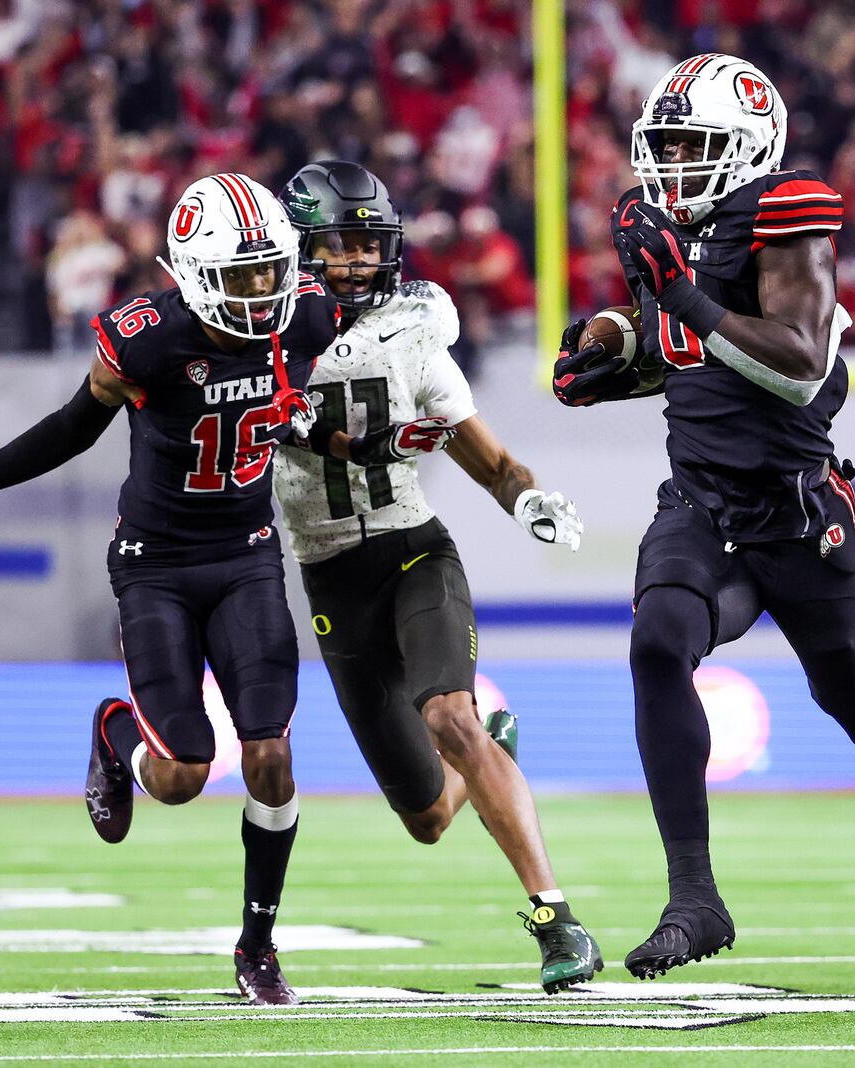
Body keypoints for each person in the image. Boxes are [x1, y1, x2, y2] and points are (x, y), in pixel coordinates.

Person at [552, 56, 855, 980]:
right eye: (667, 148)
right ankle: (694, 895)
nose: (676, 166)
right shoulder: (673, 230)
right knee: (659, 640)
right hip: (700, 502)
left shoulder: (787, 208)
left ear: (747, 147)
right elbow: (686, 353)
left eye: (695, 147)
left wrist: (679, 297)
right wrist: (612, 349)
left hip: (798, 509)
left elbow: (798, 363)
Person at [0, 173, 341, 1003]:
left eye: (270, 269)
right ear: (192, 272)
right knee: (183, 775)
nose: (263, 290)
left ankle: (258, 942)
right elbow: (73, 427)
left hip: (249, 550)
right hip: (156, 562)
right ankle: (117, 734)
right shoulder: (145, 340)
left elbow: (315, 393)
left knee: (271, 756)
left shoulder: (311, 314)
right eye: (244, 273)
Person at [274, 160, 601, 993]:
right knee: (425, 817)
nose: (351, 261)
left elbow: (484, 453)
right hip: (328, 579)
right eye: (333, 245)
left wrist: (525, 498)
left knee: (450, 713)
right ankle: (489, 752)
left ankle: (556, 921)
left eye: (363, 243)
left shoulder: (411, 326)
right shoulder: (256, 337)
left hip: (411, 549)